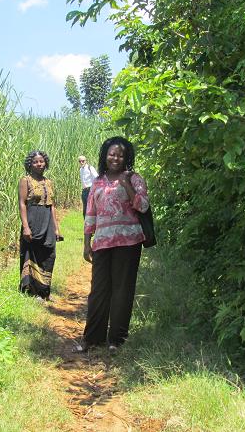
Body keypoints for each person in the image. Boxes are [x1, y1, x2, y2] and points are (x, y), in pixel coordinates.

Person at [73, 136, 149, 353]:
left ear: (127, 157)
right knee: (98, 290)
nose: (116, 158)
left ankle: (117, 339)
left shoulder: (134, 178)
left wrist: (126, 184)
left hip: (129, 242)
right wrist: (87, 243)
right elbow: (91, 213)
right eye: (112, 154)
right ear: (105, 156)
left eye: (120, 155)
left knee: (122, 289)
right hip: (102, 242)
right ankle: (92, 338)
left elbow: (143, 206)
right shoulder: (98, 181)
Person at [18, 150, 61, 301]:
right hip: (32, 219)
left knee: (49, 253)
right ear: (30, 164)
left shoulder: (48, 182)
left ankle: (45, 291)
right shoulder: (25, 180)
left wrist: (56, 227)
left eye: (41, 161)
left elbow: (52, 206)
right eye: (35, 162)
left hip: (47, 220)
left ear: (45, 163)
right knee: (33, 253)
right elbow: (22, 204)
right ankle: (33, 291)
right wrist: (26, 227)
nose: (39, 164)